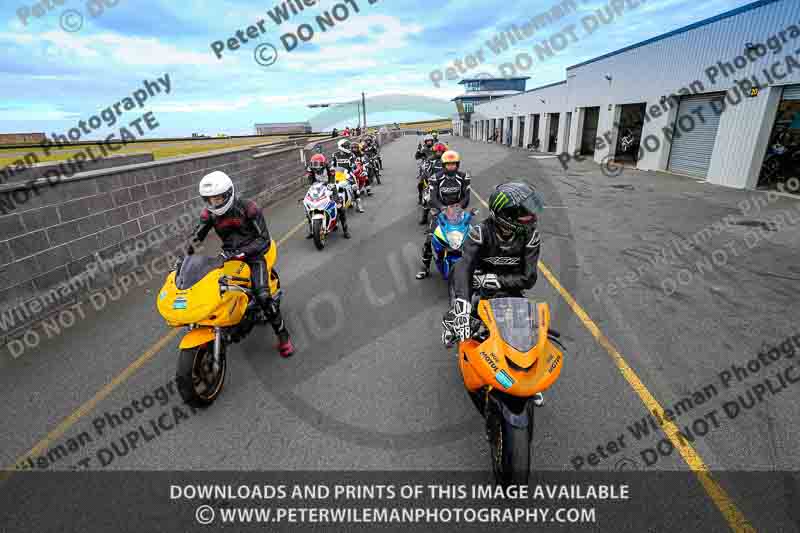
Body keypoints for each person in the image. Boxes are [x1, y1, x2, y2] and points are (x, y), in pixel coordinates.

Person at [441, 181, 544, 404]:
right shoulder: (480, 232)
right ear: (505, 215)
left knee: (526, 332)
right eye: (524, 213)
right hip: (479, 287)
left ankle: (527, 379)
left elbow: (529, 278)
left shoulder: (530, 235)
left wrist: (497, 280)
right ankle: (472, 359)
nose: (530, 216)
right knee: (466, 326)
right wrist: (462, 306)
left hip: (510, 289)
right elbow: (463, 267)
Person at [192, 171, 294, 357]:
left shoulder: (249, 208)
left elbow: (264, 240)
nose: (214, 203)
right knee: (214, 290)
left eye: (218, 198)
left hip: (254, 255)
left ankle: (283, 336)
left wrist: (242, 252)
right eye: (210, 199)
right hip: (228, 257)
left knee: (263, 296)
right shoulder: (209, 214)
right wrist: (183, 258)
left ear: (229, 193)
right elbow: (195, 238)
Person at [415, 150, 471, 279]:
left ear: (457, 164)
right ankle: (425, 267)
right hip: (440, 212)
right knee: (430, 240)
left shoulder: (464, 177)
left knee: (472, 239)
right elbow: (433, 198)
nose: (451, 166)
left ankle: (475, 266)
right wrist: (443, 208)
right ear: (444, 165)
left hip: (458, 212)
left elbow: (466, 198)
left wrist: (458, 207)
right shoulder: (436, 178)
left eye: (453, 164)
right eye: (448, 164)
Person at [305, 153, 350, 239]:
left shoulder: (330, 167)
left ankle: (345, 230)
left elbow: (332, 178)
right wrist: (310, 181)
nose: (315, 167)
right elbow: (310, 179)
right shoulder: (310, 168)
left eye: (317, 164)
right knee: (308, 207)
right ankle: (312, 231)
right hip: (317, 186)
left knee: (340, 207)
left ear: (323, 163)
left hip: (329, 185)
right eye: (314, 164)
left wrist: (331, 185)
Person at [331, 139, 364, 212]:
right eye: (346, 146)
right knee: (331, 188)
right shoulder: (335, 155)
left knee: (355, 187)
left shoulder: (351, 155)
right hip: (338, 174)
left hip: (348, 173)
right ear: (341, 146)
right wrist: (332, 169)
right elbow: (333, 165)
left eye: (348, 146)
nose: (348, 148)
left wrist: (354, 166)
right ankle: (333, 205)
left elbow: (353, 164)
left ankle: (358, 205)